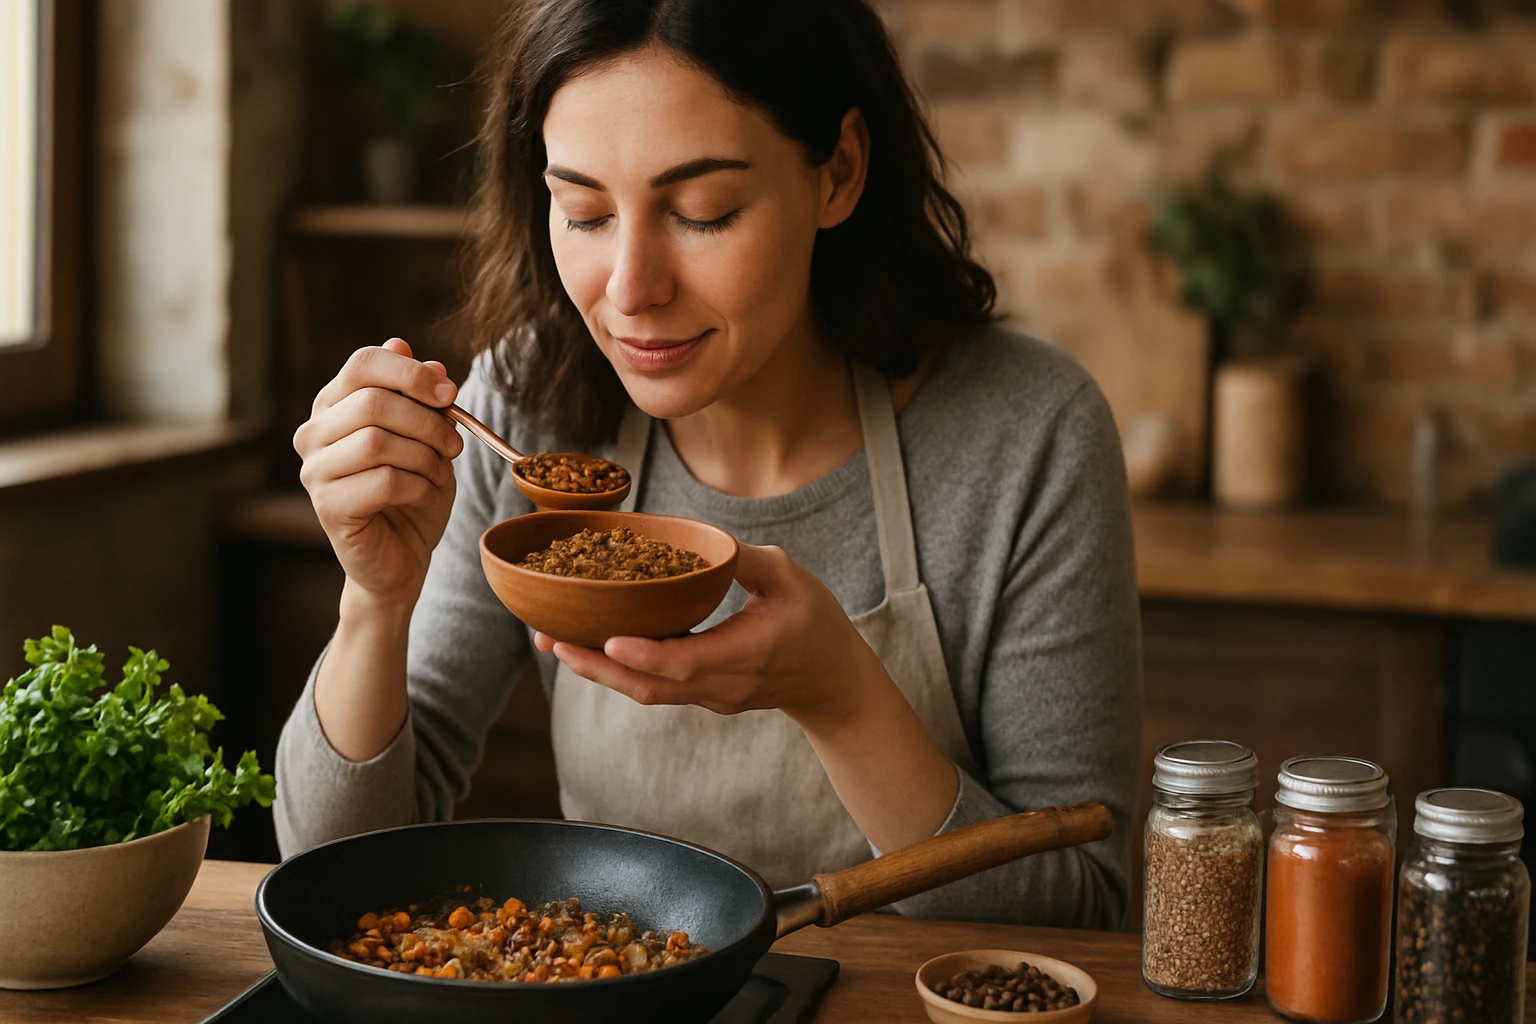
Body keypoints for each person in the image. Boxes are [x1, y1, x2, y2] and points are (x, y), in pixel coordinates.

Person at [276, 0, 1141, 929]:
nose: (631, 289)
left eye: (703, 212)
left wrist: (841, 700)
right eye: (586, 211)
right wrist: (374, 602)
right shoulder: (525, 407)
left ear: (838, 172)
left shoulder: (1027, 434)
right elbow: (335, 875)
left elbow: (1082, 911)